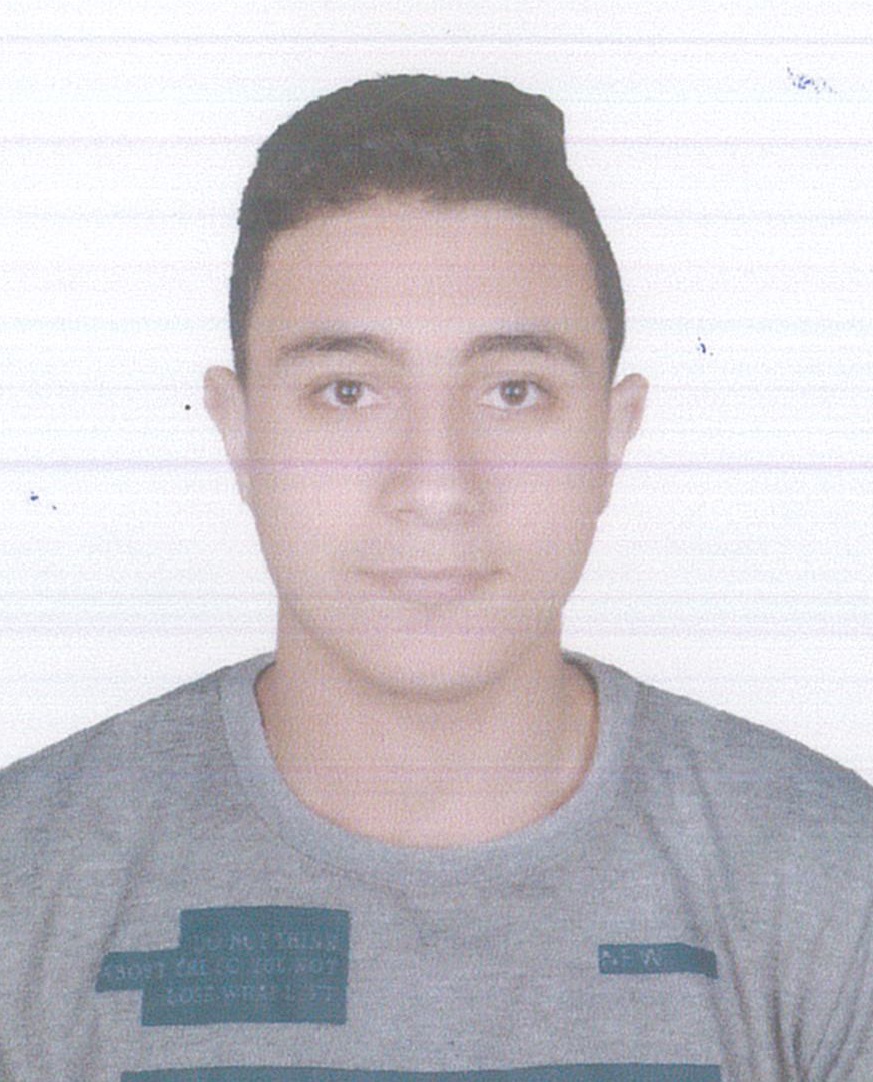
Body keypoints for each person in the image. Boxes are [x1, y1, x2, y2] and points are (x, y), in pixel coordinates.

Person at [0, 74, 871, 1082]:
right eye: (347, 391)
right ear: (239, 432)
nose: (435, 486)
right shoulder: (27, 879)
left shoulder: (828, 883)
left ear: (611, 435)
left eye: (514, 391)